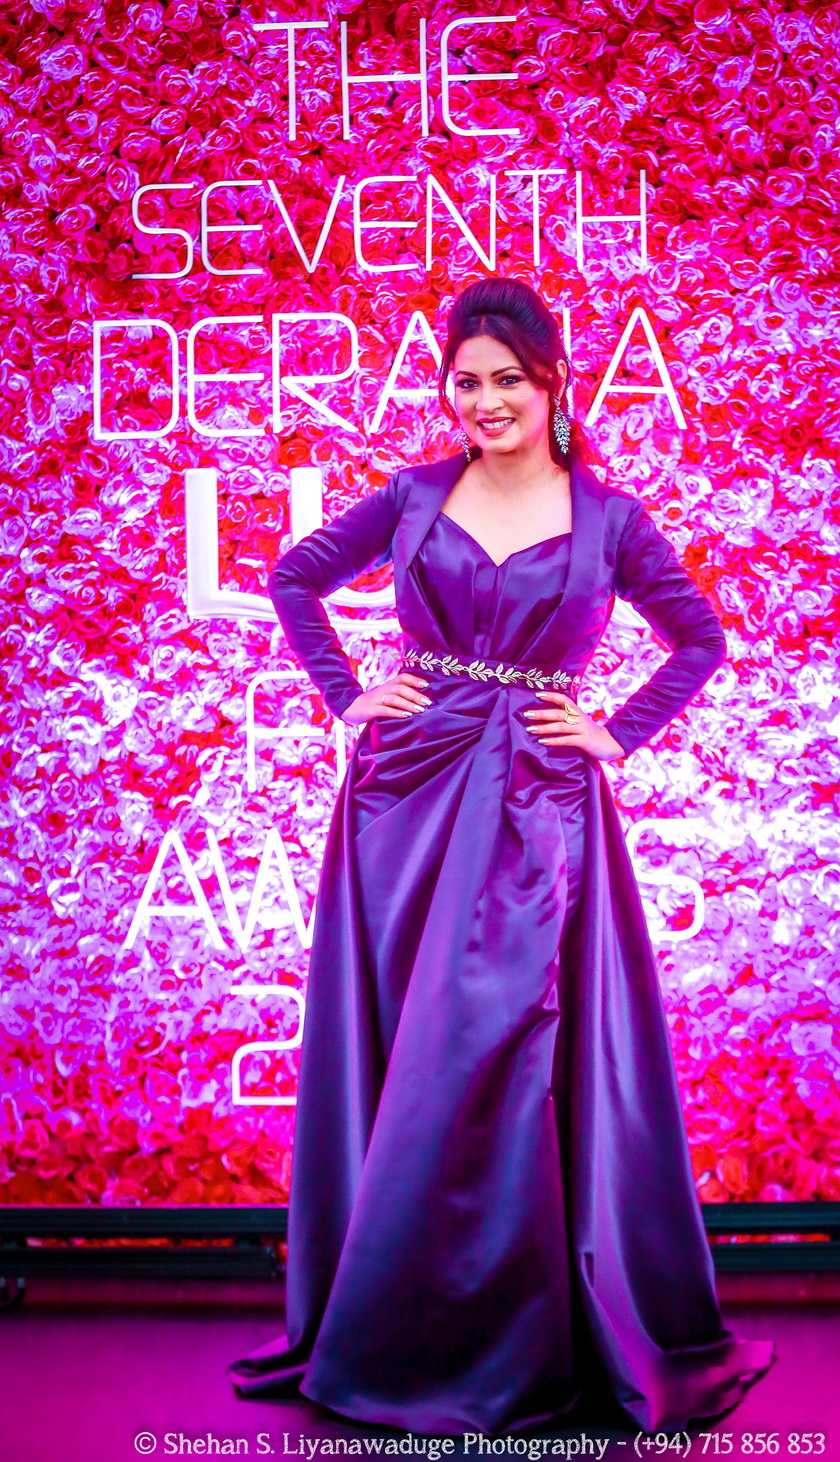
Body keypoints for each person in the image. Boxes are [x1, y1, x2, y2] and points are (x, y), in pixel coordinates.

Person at [228, 277, 773, 1434]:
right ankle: (391, 1323)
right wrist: (346, 693)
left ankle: (516, 1339)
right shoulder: (415, 495)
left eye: (507, 381)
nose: (484, 401)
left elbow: (699, 638)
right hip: (404, 798)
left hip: (536, 798)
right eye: (465, 381)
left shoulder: (608, 518)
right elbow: (292, 576)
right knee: (404, 1047)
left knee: (501, 1047)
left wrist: (616, 731)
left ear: (552, 383)